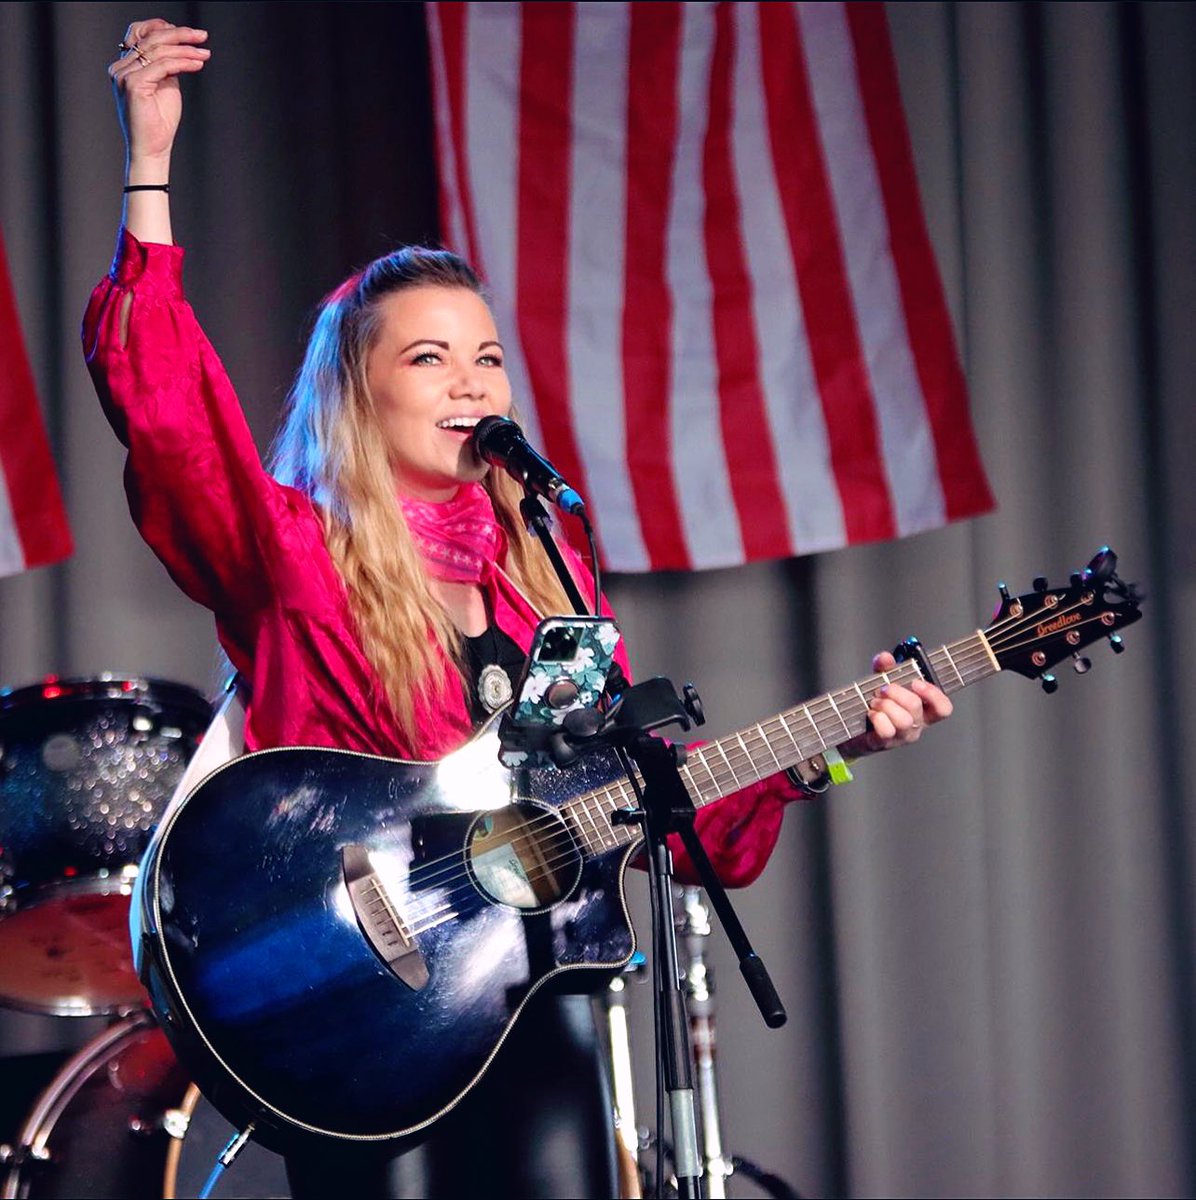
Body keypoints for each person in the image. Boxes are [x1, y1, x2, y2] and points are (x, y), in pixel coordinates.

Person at [85, 19, 953, 1199]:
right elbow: (172, 419)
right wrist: (149, 171)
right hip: (354, 1001)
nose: (468, 384)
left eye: (485, 360)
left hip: (527, 993)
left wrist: (829, 743)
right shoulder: (297, 552)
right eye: (428, 359)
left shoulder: (546, 567)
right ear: (361, 393)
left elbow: (639, 794)